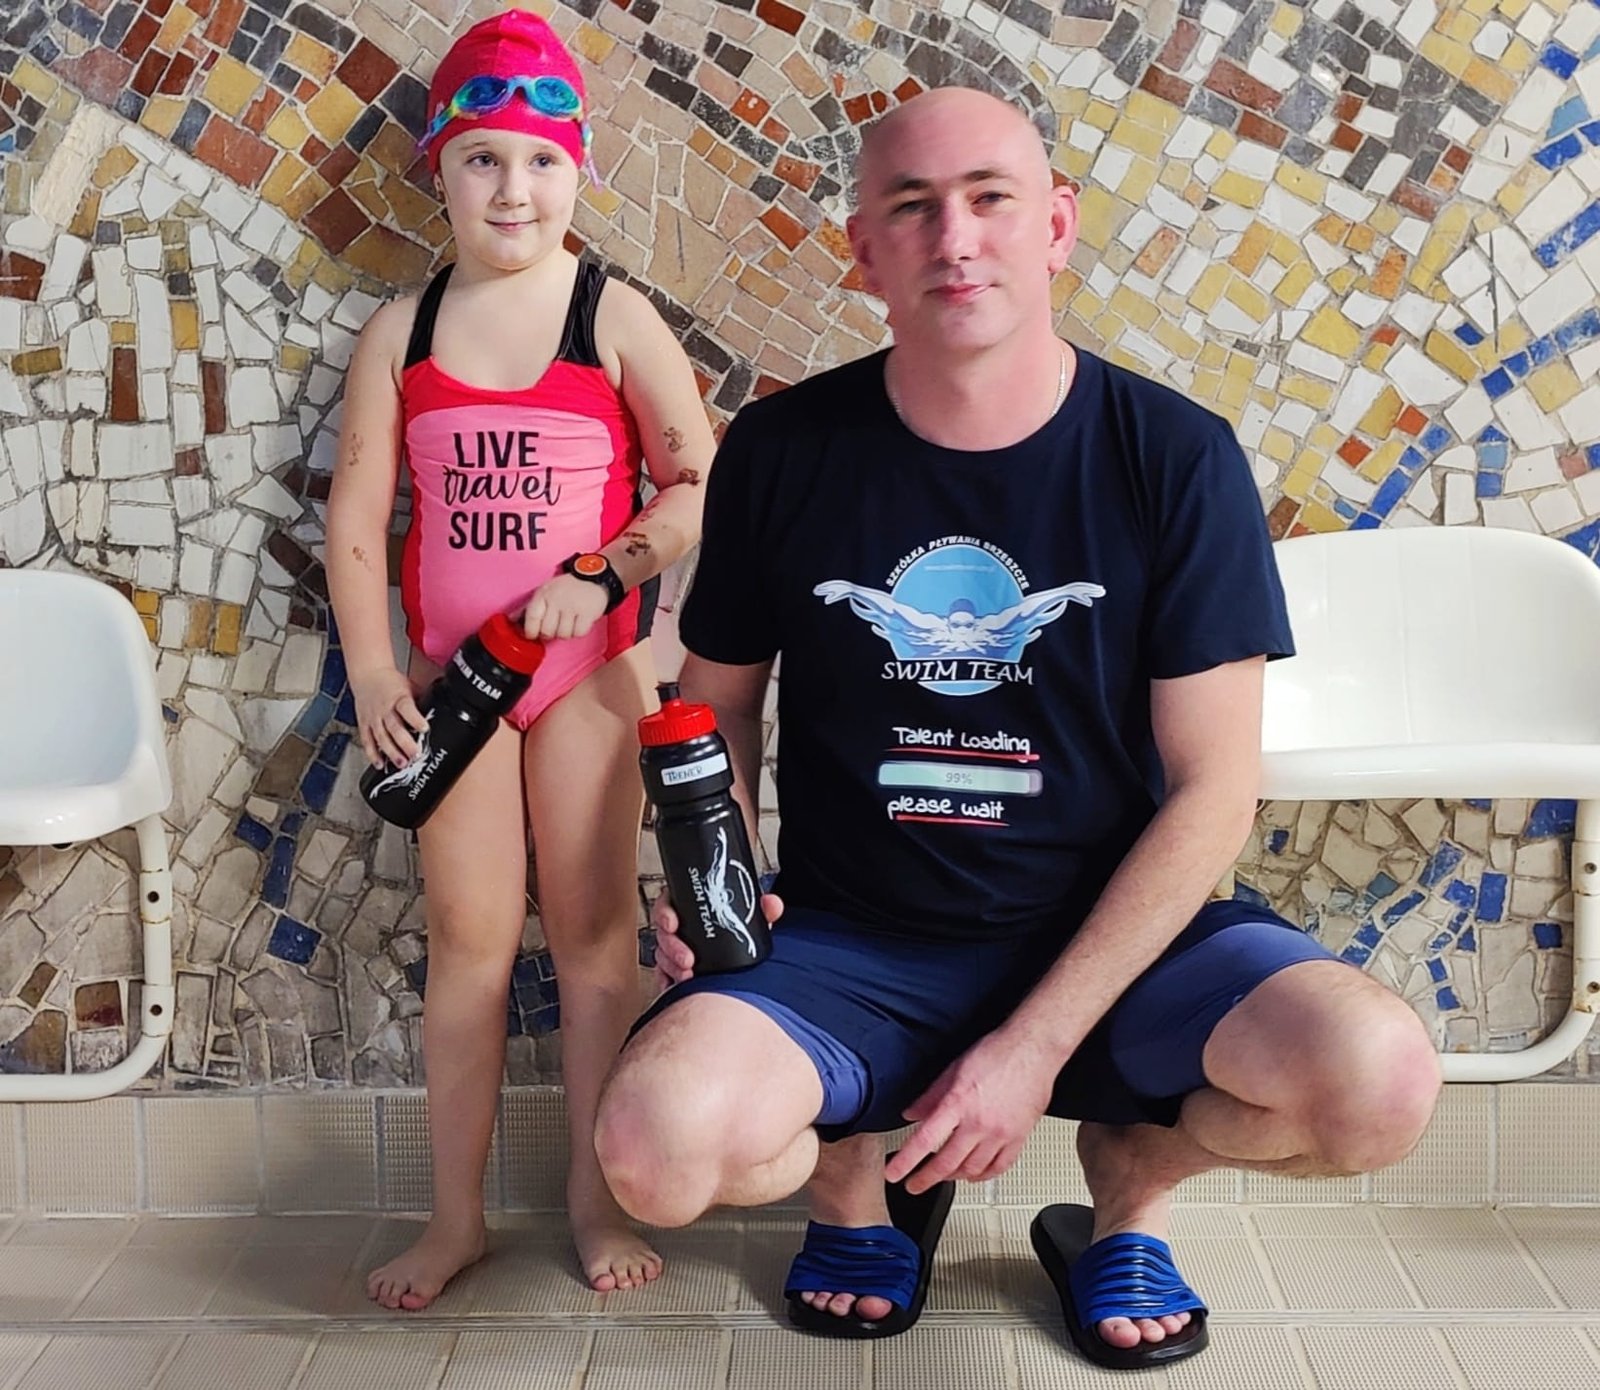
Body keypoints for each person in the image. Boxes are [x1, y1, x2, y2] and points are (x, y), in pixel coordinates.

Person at [589, 86, 1442, 1368]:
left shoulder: (1175, 457)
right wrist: (712, 884)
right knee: (652, 1152)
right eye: (911, 207)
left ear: (1054, 227)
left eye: (990, 198)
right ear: (862, 250)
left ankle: (1131, 1183)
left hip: (1119, 944)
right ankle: (852, 1183)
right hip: (850, 940)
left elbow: (1216, 787)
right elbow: (713, 709)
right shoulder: (781, 448)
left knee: (1377, 1084)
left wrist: (1035, 1047)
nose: (955, 238)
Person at [326, 9, 714, 1309]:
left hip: (590, 679)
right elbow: (355, 519)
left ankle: (598, 1201)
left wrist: (602, 573)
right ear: (437, 169)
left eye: (542, 160)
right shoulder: (403, 331)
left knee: (598, 943)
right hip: (455, 694)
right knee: (469, 944)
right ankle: (455, 1219)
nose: (513, 188)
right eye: (483, 158)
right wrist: (374, 674)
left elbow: (697, 484)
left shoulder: (613, 316)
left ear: (578, 168)